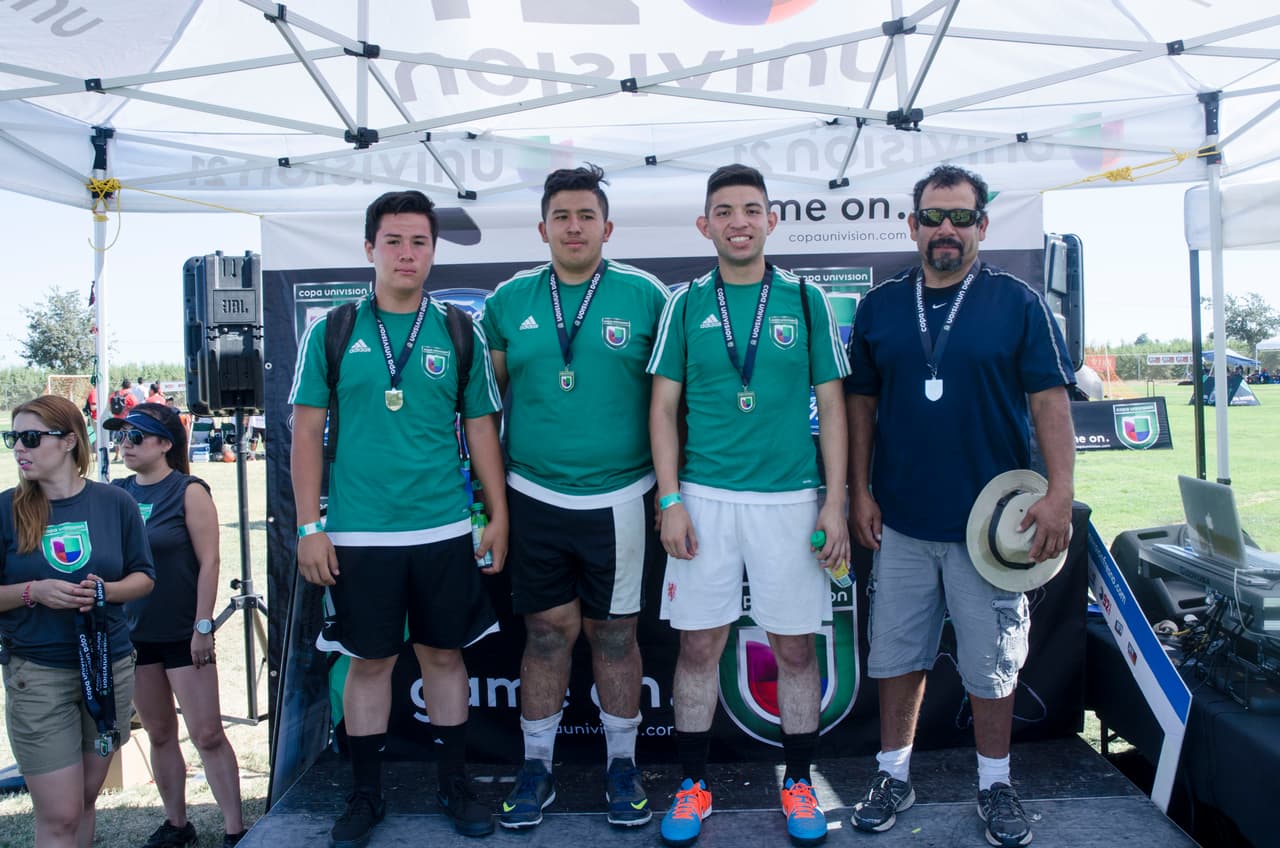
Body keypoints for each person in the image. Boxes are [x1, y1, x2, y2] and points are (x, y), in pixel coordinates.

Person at [844, 164, 1076, 848]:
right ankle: (893, 774)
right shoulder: (881, 307)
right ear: (913, 225)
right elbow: (860, 405)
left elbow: (1051, 402)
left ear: (982, 225)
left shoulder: (1018, 302)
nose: (947, 229)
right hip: (904, 520)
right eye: (934, 217)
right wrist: (858, 489)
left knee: (992, 663)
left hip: (992, 527)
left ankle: (995, 783)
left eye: (962, 217)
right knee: (897, 657)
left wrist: (1060, 492)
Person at [289, 189, 508, 845]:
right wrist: (308, 527)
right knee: (370, 663)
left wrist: (496, 514)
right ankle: (364, 796)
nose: (407, 253)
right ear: (369, 249)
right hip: (358, 534)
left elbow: (480, 428)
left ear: (433, 251)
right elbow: (303, 434)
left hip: (442, 529)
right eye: (393, 241)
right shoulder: (331, 330)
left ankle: (453, 783)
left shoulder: (458, 330)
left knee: (443, 657)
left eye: (418, 241)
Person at [647, 164, 851, 848]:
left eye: (752, 209)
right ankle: (693, 785)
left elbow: (833, 405)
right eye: (725, 210)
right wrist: (670, 497)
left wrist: (835, 504)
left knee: (793, 648)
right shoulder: (685, 303)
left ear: (771, 220)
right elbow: (663, 407)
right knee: (699, 644)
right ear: (706, 225)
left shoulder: (805, 300)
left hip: (790, 501)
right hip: (704, 498)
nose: (739, 220)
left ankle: (798, 782)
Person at [481, 165, 669, 829]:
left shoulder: (647, 297)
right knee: (544, 634)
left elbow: (673, 404)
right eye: (561, 216)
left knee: (614, 636)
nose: (573, 227)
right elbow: (484, 404)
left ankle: (622, 765)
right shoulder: (508, 302)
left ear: (607, 227)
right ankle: (536, 768)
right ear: (542, 228)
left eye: (586, 215)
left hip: (621, 497)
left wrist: (670, 495)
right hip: (532, 494)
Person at [0, 394, 156, 848]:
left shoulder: (115, 502)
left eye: (30, 438)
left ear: (69, 440)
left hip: (109, 670)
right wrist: (35, 592)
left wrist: (103, 591)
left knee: (84, 801)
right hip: (38, 674)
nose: (19, 449)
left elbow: (144, 577)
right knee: (62, 813)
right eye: (14, 439)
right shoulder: (7, 509)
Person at [107, 404, 246, 848]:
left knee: (206, 733)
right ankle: (177, 824)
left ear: (166, 444)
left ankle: (234, 829)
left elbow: (210, 563)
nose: (125, 444)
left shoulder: (189, 491)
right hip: (134, 636)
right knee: (160, 733)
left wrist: (203, 626)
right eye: (122, 436)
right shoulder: (117, 492)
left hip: (184, 634)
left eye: (136, 437)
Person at [109, 379, 137, 463]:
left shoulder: (114, 394)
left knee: (118, 439)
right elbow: (135, 407)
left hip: (116, 420)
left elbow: (110, 407)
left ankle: (117, 455)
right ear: (130, 386)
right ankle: (126, 456)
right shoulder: (130, 395)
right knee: (127, 439)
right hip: (126, 421)